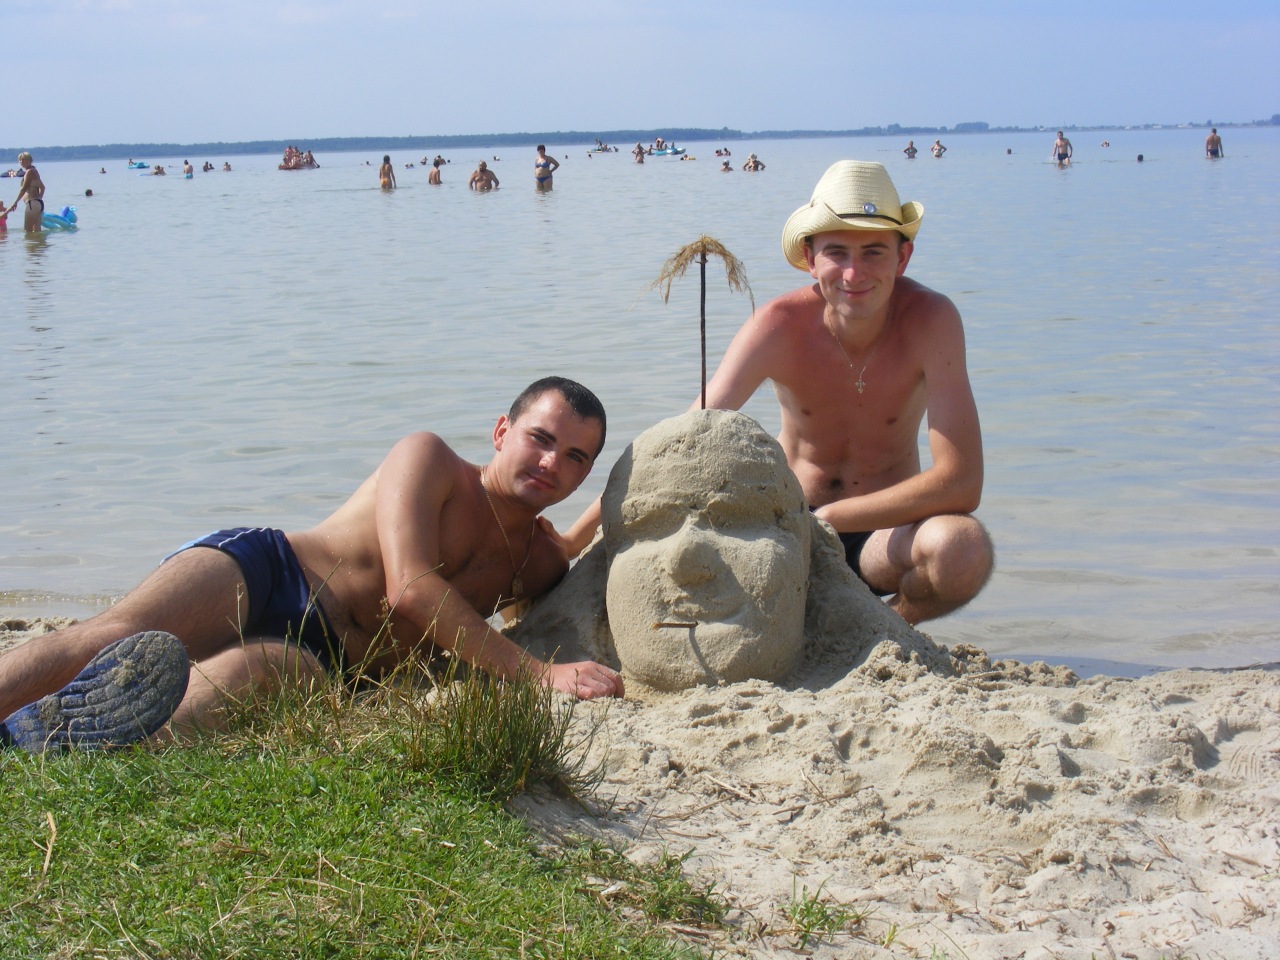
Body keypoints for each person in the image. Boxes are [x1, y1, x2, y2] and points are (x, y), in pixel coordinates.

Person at [0, 378, 624, 752]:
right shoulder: (430, 460)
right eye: (540, 438)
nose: (552, 463)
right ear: (502, 431)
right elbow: (410, 587)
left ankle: (58, 743)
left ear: (587, 474)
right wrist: (539, 674)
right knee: (114, 635)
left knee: (243, 675)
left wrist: (616, 501)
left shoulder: (541, 563)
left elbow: (597, 526)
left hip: (329, 658)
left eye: (575, 457)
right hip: (274, 571)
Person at [564, 162, 992, 625]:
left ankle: (889, 627)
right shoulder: (779, 325)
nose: (854, 273)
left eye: (873, 252)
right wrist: (573, 539)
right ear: (810, 258)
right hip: (787, 530)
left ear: (902, 258)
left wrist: (833, 518)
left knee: (962, 549)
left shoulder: (931, 321)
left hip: (883, 535)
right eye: (837, 253)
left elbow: (961, 481)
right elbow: (679, 443)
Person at [6, 152, 45, 233]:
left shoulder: (29, 172)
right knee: (37, 232)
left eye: (23, 159)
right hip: (37, 204)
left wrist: (14, 203)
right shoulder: (34, 171)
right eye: (20, 160)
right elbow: (42, 187)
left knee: (28, 232)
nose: (21, 161)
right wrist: (38, 199)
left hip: (32, 204)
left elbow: (23, 189)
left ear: (29, 160)